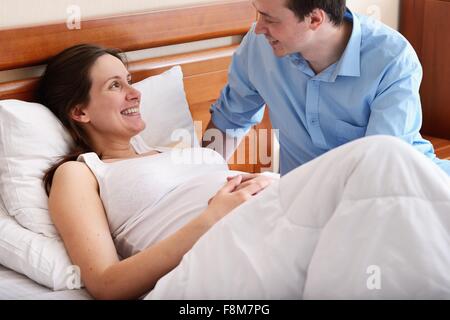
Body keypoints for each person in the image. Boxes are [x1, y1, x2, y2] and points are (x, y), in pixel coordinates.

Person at [39, 44, 450, 300]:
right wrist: (212, 216)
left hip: (268, 219)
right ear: (80, 111)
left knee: (390, 201)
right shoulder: (81, 173)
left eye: (130, 80)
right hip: (212, 254)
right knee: (380, 157)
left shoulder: (175, 151)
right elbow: (107, 284)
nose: (135, 92)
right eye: (115, 86)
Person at [204, 0, 450, 176]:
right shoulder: (258, 47)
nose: (258, 28)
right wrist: (198, 183)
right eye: (258, 13)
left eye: (269, 18)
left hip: (404, 189)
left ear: (314, 19)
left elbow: (380, 169)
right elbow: (228, 122)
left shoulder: (391, 58)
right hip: (302, 207)